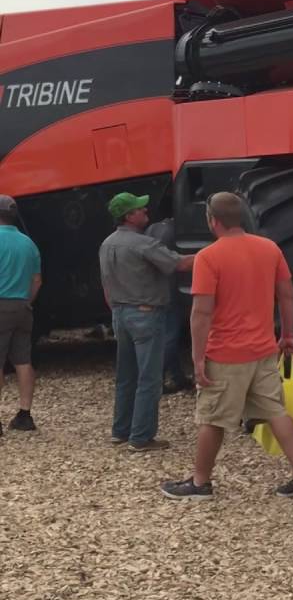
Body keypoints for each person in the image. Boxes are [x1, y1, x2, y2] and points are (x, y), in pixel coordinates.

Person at [161, 192, 293, 500]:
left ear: (212, 220)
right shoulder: (269, 249)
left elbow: (202, 312)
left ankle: (200, 482)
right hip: (263, 349)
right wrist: (287, 334)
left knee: (212, 418)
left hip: (225, 353)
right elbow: (287, 295)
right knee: (276, 410)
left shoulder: (208, 257)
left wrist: (197, 358)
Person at [99, 193, 194, 450]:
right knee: (150, 378)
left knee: (126, 375)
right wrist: (218, 251)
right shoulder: (144, 244)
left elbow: (106, 285)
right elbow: (180, 264)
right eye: (140, 208)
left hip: (120, 314)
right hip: (146, 313)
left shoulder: (106, 244)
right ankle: (141, 437)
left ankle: (120, 431)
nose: (145, 210)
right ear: (129, 216)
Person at [0, 195, 41, 433]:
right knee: (23, 361)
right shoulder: (28, 243)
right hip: (23, 307)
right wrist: (27, 301)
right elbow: (37, 280)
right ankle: (25, 415)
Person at [145, 217, 195, 394]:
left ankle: (177, 376)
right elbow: (179, 263)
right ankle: (156, 380)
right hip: (170, 291)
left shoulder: (153, 229)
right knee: (171, 336)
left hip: (156, 290)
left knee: (166, 334)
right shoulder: (173, 230)